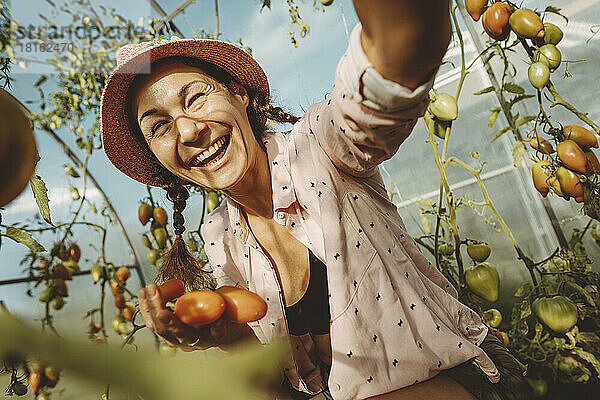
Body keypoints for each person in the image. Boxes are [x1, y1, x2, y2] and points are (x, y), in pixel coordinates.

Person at [100, 1, 530, 399]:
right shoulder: (218, 235)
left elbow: (379, 93)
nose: (188, 131)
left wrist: (401, 30)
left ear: (239, 93)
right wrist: (226, 340)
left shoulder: (317, 149)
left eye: (196, 97)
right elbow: (275, 385)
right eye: (158, 127)